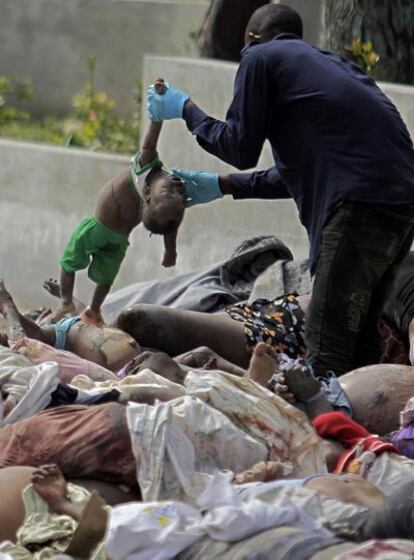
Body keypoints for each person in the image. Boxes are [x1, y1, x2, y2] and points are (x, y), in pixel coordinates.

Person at [146, 4, 414, 381]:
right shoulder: (334, 67)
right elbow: (299, 174)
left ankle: (325, 431)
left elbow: (238, 148)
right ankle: (360, 429)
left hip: (357, 207)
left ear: (250, 38)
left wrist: (185, 109)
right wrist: (222, 186)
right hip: (402, 205)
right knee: (363, 341)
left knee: (327, 346)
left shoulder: (259, 56)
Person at [52, 81, 187, 327]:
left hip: (118, 240)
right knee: (70, 261)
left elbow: (171, 224)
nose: (176, 186)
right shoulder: (145, 166)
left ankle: (94, 309)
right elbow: (150, 141)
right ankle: (65, 300)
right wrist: (158, 114)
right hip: (97, 227)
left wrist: (170, 249)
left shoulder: (166, 203)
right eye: (172, 188)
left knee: (106, 277)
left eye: (177, 190)